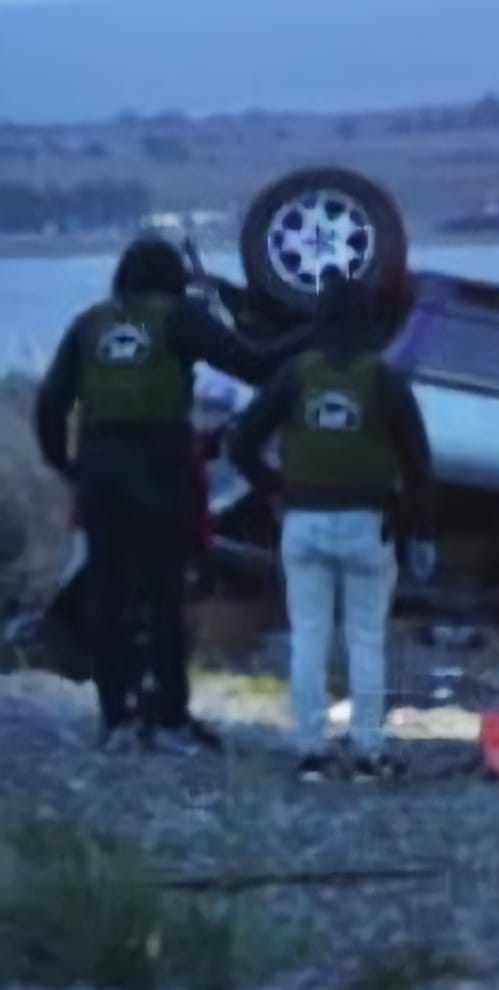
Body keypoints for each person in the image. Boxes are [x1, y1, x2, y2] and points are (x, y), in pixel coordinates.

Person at [33, 237, 302, 755]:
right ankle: (171, 717)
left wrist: (65, 466)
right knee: (163, 596)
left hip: (100, 468)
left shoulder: (89, 323)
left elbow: (50, 404)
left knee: (107, 597)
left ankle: (116, 721)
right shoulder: (179, 317)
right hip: (160, 467)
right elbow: (251, 364)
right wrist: (306, 336)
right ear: (173, 277)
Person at [227, 270, 435, 783]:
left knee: (308, 637)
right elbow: (418, 464)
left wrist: (274, 487)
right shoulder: (384, 378)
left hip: (302, 521)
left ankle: (311, 752)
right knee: (366, 639)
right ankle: (368, 751)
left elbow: (242, 440)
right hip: (367, 524)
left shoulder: (297, 372)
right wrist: (416, 530)